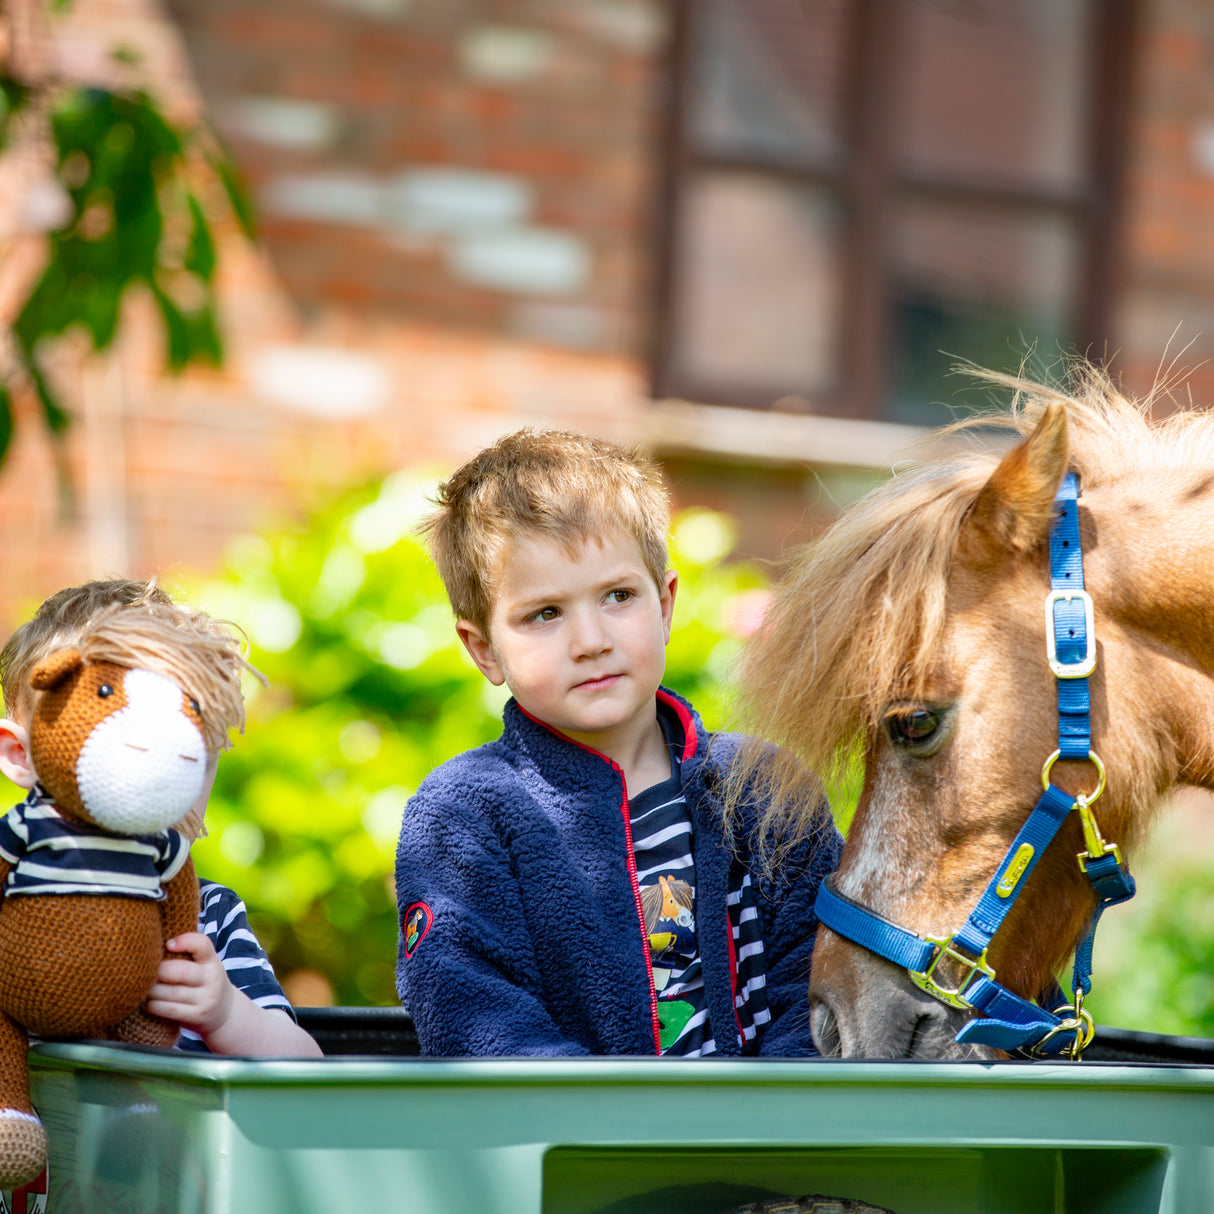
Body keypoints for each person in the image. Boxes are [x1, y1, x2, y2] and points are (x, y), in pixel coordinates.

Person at [395, 429, 842, 1057]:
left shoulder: (764, 789)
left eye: (618, 597)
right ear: (484, 649)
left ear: (664, 605)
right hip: (578, 1144)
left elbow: (819, 977)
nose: (591, 639)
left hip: (769, 1140)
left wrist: (768, 1121)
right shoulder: (467, 813)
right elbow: (471, 1012)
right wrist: (615, 1126)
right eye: (544, 613)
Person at [0, 579, 322, 1058]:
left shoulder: (207, 916)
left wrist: (227, 1013)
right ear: (21, 754)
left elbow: (304, 1064)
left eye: (190, 758)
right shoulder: (12, 889)